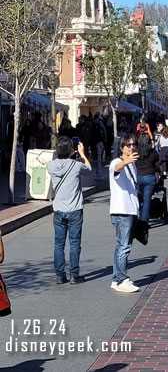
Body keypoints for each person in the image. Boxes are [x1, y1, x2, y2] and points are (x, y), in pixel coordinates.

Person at [47, 137, 91, 284]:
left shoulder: (51, 166)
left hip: (59, 209)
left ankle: (60, 275)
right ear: (71, 150)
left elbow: (57, 162)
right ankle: (74, 275)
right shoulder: (76, 165)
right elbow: (89, 169)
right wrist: (82, 154)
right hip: (75, 210)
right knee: (74, 243)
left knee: (58, 244)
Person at [109, 134, 140, 293]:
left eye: (133, 144)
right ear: (121, 148)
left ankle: (116, 278)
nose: (131, 147)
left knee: (122, 245)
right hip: (122, 210)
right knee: (124, 246)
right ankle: (122, 279)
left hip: (130, 209)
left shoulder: (133, 164)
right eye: (128, 145)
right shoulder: (117, 162)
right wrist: (125, 161)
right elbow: (115, 169)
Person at [135, 133, 159, 224]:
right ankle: (144, 221)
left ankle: (139, 217)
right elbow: (157, 165)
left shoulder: (136, 152)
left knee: (140, 199)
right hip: (149, 176)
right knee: (146, 200)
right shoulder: (153, 152)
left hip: (138, 176)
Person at [90, 113, 107, 181]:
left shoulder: (91, 123)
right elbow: (104, 130)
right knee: (99, 155)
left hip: (93, 141)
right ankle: (99, 172)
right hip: (99, 141)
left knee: (95, 155)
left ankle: (98, 170)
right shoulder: (100, 123)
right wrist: (105, 138)